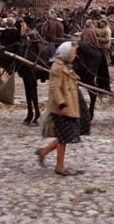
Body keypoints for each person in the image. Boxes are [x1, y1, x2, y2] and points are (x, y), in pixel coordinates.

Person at [36, 42, 83, 176]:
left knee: (65, 136)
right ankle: (59, 166)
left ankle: (44, 152)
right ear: (65, 53)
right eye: (73, 53)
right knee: (64, 138)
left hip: (68, 105)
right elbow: (54, 88)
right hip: (61, 107)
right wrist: (62, 104)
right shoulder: (57, 67)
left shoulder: (65, 65)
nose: (75, 55)